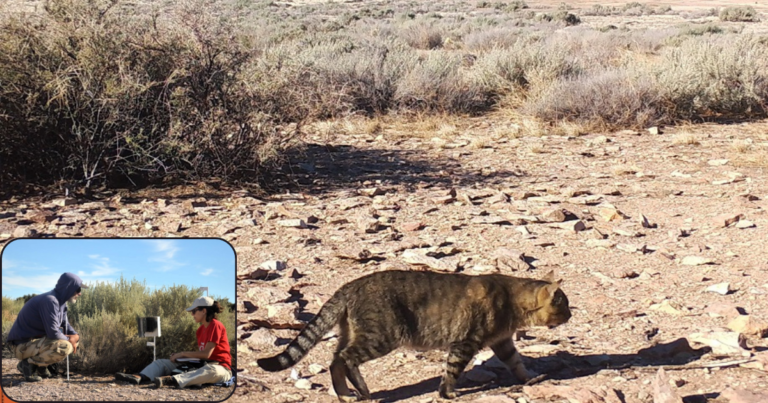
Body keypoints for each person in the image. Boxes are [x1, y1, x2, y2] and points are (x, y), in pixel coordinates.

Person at [115, 296, 232, 389]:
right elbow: (203, 356)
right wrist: (182, 359)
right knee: (161, 363)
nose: (192, 314)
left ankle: (171, 380)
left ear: (204, 311)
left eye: (194, 311)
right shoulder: (200, 330)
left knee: (212, 371)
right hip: (203, 364)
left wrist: (182, 354)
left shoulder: (216, 325)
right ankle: (140, 377)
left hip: (221, 367)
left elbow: (206, 354)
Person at [6, 272, 87, 382]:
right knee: (65, 346)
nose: (79, 293)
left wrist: (75, 336)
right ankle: (28, 364)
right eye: (77, 289)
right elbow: (53, 332)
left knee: (73, 342)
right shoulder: (50, 301)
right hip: (21, 346)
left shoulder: (61, 303)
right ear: (68, 288)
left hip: (34, 343)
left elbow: (65, 325)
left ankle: (41, 367)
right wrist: (69, 339)